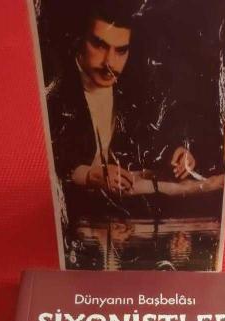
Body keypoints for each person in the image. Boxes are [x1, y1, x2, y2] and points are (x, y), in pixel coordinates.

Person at [47, 0, 196, 215]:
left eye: (121, 50)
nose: (109, 62)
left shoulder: (134, 86)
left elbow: (152, 142)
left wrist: (177, 155)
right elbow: (50, 159)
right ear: (79, 40)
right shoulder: (53, 84)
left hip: (119, 216)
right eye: (99, 45)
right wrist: (89, 175)